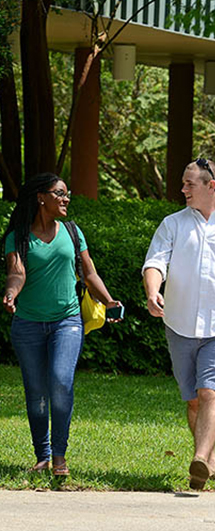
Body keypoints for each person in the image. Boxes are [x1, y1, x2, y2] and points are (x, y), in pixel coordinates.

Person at [142, 157, 215, 490]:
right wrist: (153, 292)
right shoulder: (172, 224)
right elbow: (155, 263)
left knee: (210, 392)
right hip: (178, 324)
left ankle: (199, 459)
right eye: (183, 183)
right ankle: (209, 457)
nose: (183, 189)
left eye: (189, 184)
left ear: (212, 186)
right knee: (193, 399)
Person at [2, 173, 123, 476]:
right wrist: (11, 293)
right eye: (59, 193)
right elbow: (17, 273)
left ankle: (59, 455)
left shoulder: (71, 231)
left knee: (60, 381)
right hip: (28, 323)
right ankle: (42, 455)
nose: (66, 198)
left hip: (66, 321)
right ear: (41, 197)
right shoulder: (17, 236)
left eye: (67, 193)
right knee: (36, 391)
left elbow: (89, 272)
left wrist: (108, 300)